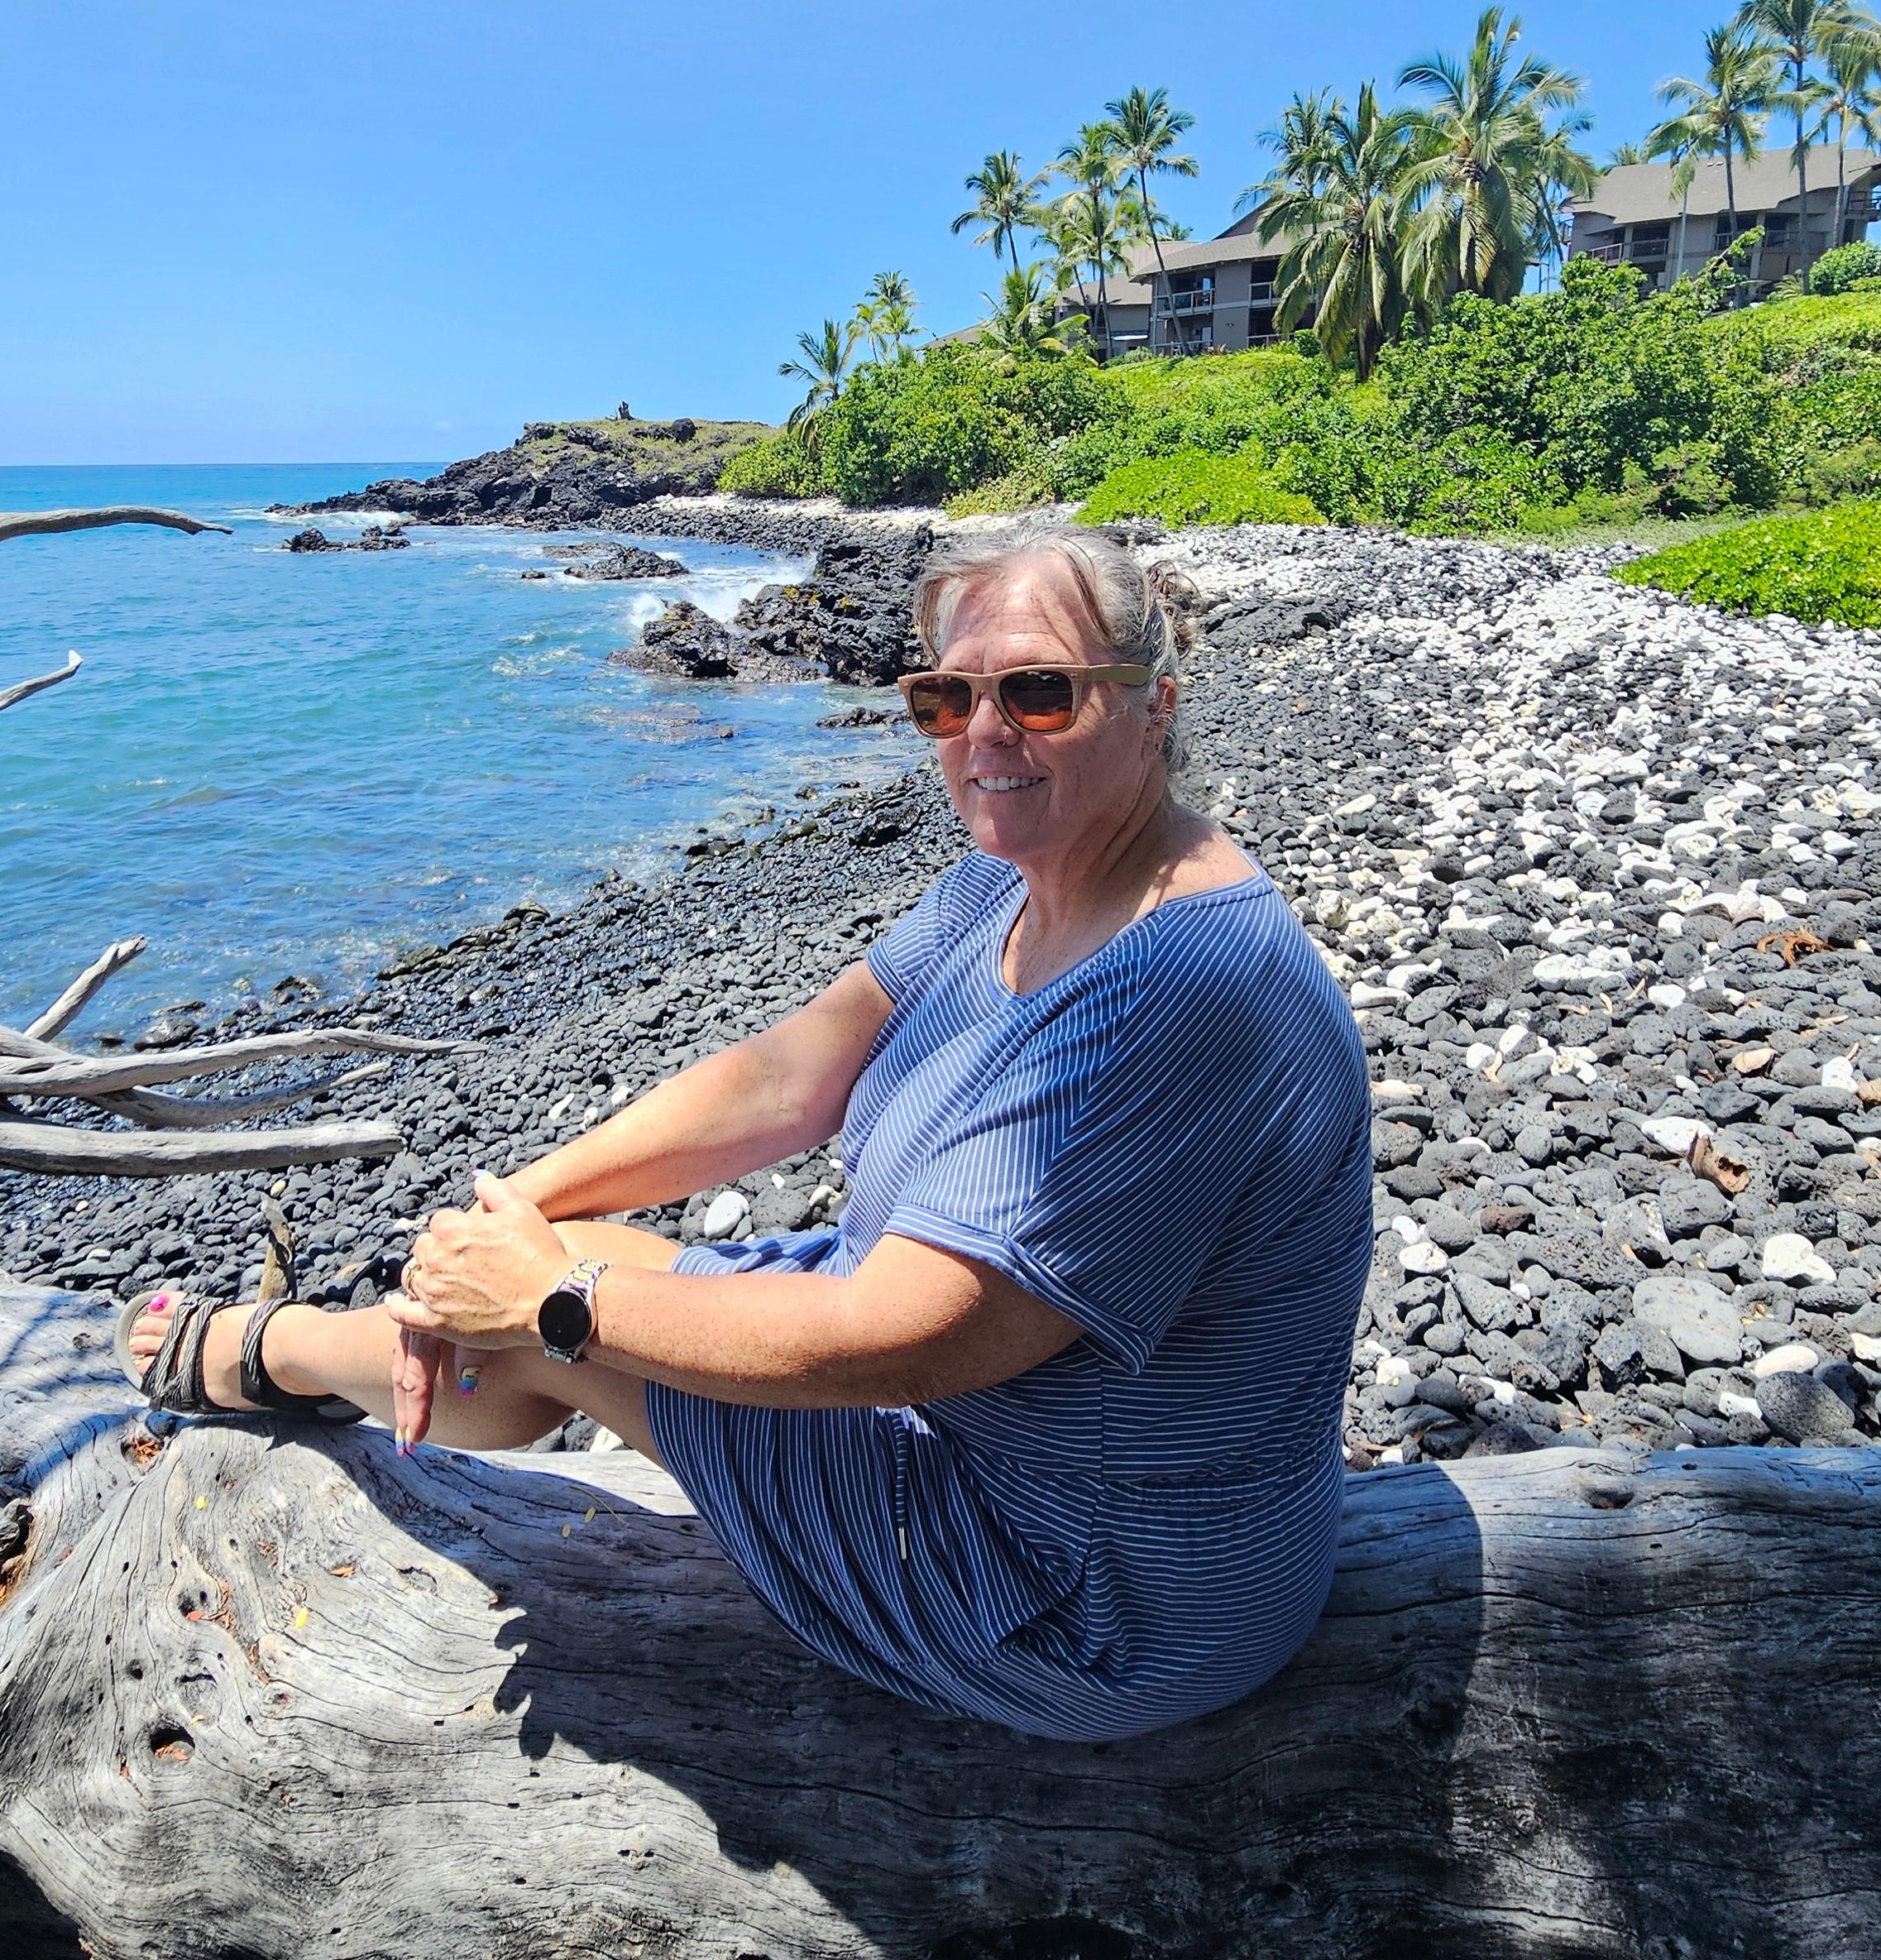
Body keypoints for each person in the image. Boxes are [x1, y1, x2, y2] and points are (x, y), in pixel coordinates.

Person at [127, 523, 1373, 1740]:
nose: (985, 734)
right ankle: (306, 1350)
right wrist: (514, 1213)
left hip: (1085, 1592)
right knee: (533, 1282)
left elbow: (902, 1346)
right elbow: (789, 1077)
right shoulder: (1017, 878)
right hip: (1030, 1461)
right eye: (948, 696)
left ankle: (261, 1353)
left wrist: (553, 1301)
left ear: (1154, 702)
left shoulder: (1179, 989)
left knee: (538, 1330)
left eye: (1040, 693)